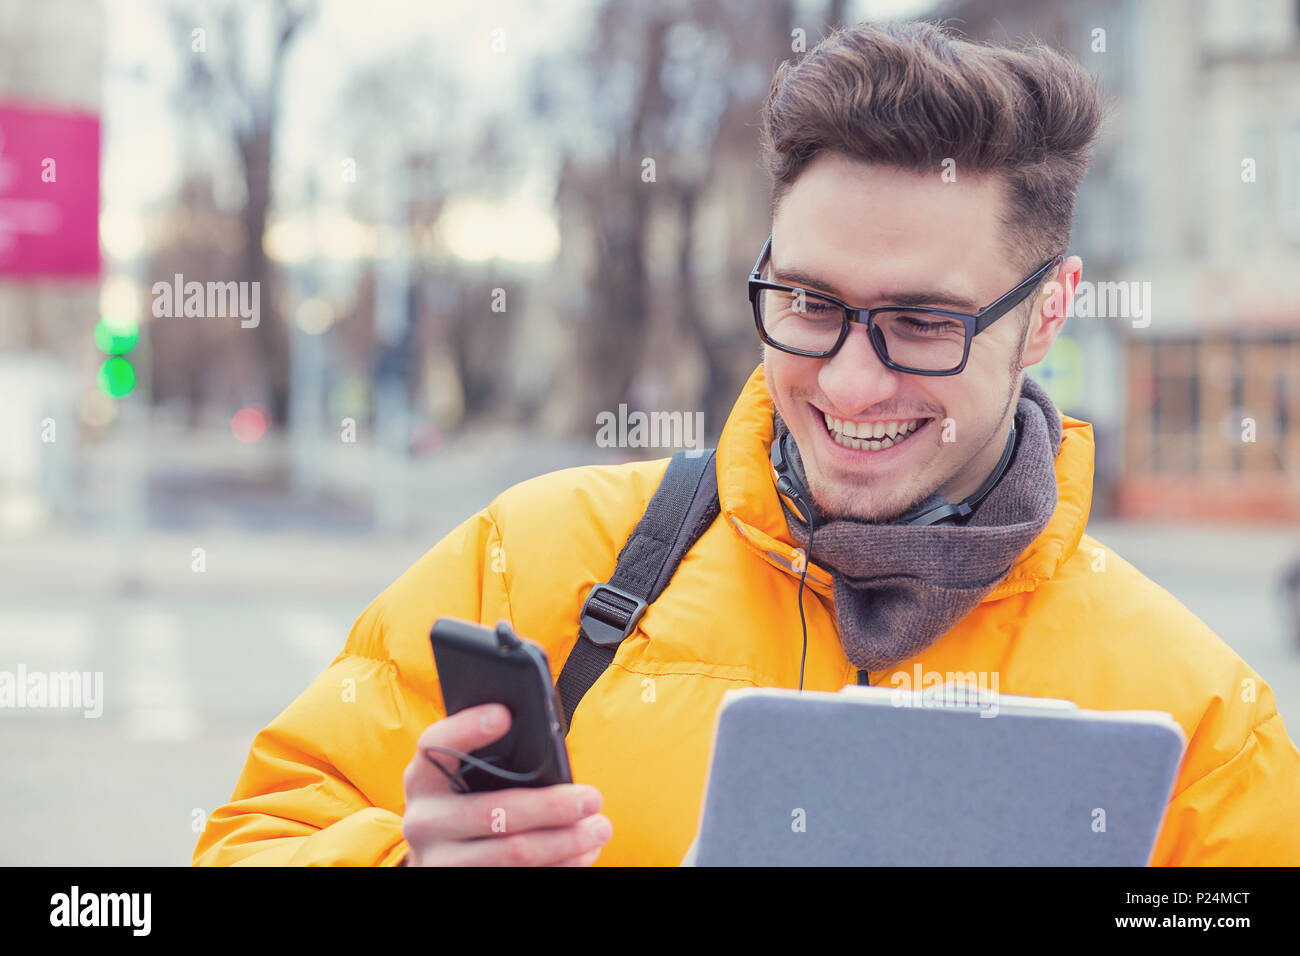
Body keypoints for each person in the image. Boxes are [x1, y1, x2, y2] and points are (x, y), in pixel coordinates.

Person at [193, 19, 1300, 867]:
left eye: (923, 322)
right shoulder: (528, 563)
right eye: (810, 303)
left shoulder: (1200, 721)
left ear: (1046, 313)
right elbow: (245, 840)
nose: (850, 380)